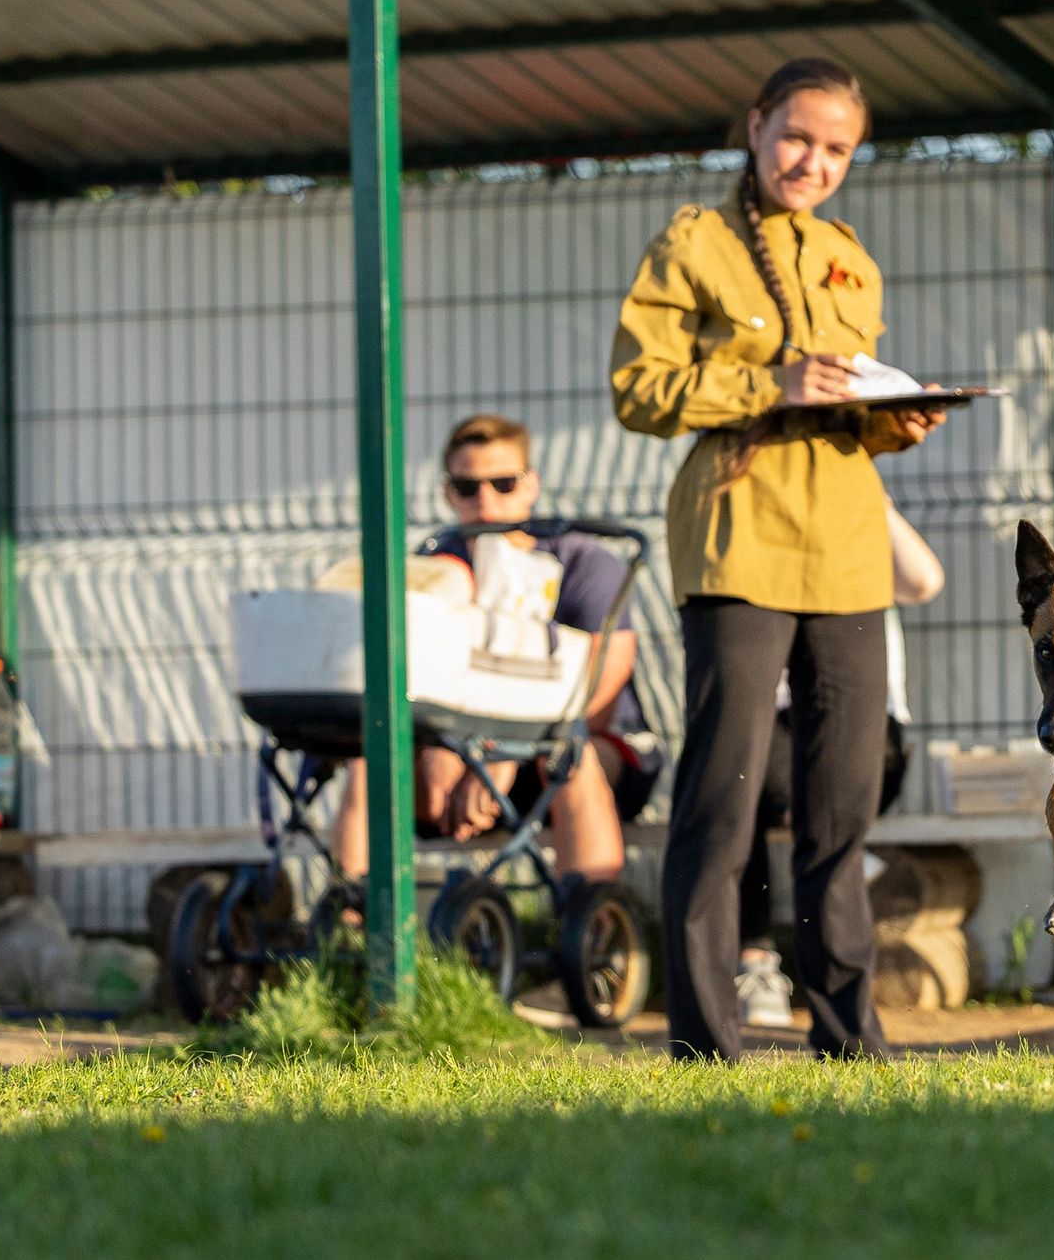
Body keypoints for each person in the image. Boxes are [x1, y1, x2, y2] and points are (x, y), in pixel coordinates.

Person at [611, 56, 946, 1061]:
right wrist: (768, 379)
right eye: (797, 136)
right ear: (756, 126)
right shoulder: (695, 243)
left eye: (836, 147)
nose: (813, 161)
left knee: (841, 806)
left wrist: (900, 420)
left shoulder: (851, 257)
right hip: (739, 543)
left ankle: (850, 1034)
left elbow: (843, 410)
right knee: (721, 799)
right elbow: (639, 389)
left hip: (848, 549)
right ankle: (706, 1039)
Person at [329, 414, 651, 891]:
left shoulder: (583, 562)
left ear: (531, 485)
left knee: (568, 755)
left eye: (503, 483)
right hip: (462, 755)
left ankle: (594, 928)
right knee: (369, 756)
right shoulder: (434, 566)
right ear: (447, 493)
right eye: (467, 487)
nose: (486, 502)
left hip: (568, 749)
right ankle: (355, 919)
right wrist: (442, 745)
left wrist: (506, 748)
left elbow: (601, 691)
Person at [737, 502, 945, 1031]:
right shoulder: (758, 534)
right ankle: (754, 961)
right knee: (742, 778)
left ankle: (835, 993)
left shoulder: (855, 522)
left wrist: (866, 496)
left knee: (797, 787)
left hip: (870, 729)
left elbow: (922, 580)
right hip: (779, 732)